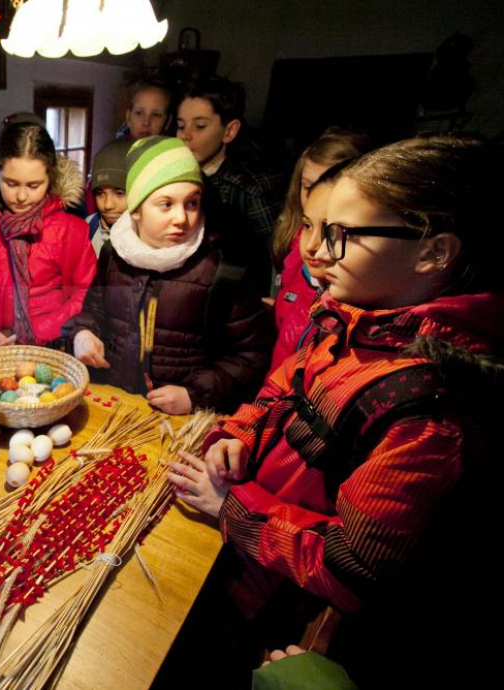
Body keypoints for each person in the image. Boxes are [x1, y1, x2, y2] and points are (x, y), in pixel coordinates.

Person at [168, 135, 504, 686]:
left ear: (434, 252)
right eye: (315, 227)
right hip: (247, 556)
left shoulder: (430, 408)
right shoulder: (352, 317)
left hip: (284, 606)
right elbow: (282, 387)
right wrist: (240, 435)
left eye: (341, 233)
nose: (317, 249)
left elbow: (351, 565)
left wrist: (233, 507)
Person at [68, 136, 271, 414]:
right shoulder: (114, 253)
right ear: (137, 209)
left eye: (191, 203)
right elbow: (94, 311)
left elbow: (252, 356)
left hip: (182, 421)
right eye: (166, 204)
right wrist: (83, 333)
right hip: (118, 404)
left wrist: (195, 394)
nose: (182, 218)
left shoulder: (222, 270)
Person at [0, 123, 97, 349]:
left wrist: (38, 332)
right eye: (11, 183)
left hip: (49, 346)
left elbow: (82, 295)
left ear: (50, 178)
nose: (21, 196)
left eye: (34, 185)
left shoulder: (69, 229)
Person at [177, 77, 284, 283]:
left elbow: (277, 259)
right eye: (181, 126)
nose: (186, 136)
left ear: (229, 131)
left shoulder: (250, 189)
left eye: (199, 126)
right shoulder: (174, 178)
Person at [268, 154, 369, 373]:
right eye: (306, 225)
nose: (313, 245)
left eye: (329, 230)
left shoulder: (355, 309)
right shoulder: (298, 275)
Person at [85, 139, 131, 256]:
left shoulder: (151, 235)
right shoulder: (88, 227)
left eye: (120, 193)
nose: (108, 205)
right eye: (100, 193)